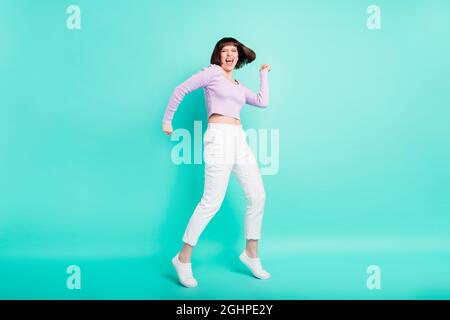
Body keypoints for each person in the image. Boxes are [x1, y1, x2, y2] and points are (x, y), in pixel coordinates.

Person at [162, 37, 271, 288]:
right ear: (218, 56)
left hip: (238, 139)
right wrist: (168, 121)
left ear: (238, 56)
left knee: (257, 195)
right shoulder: (211, 74)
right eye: (225, 51)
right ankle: (182, 258)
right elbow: (180, 90)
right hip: (219, 139)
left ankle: (251, 254)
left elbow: (262, 101)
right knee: (211, 202)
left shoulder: (237, 84)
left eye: (234, 51)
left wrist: (263, 74)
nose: (230, 55)